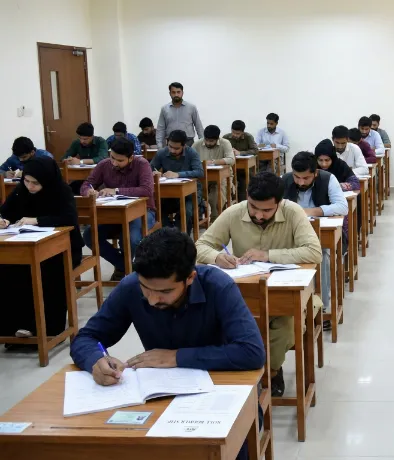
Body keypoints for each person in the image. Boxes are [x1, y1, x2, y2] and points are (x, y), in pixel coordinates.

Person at [69, 228, 265, 460]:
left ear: (190, 278)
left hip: (222, 390)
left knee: (227, 444)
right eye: (146, 289)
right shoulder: (131, 287)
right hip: (160, 392)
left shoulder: (218, 286)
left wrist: (176, 357)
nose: (152, 299)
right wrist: (95, 360)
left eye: (164, 291)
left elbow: (251, 352)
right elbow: (86, 338)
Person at [195, 172, 321, 396]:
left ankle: (270, 372)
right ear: (247, 197)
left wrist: (268, 255)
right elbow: (200, 245)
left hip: (289, 293)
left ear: (279, 203)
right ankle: (238, 375)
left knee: (284, 328)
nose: (258, 215)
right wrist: (216, 257)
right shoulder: (235, 212)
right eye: (254, 207)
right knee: (217, 325)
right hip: (245, 295)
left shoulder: (292, 213)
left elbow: (313, 251)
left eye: (266, 210)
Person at [0, 156, 83, 342]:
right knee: (8, 267)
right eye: (27, 181)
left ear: (46, 180)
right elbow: (6, 210)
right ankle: (12, 327)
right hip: (29, 244)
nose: (30, 186)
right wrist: (3, 220)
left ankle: (46, 328)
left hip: (65, 248)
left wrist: (37, 220)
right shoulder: (22, 190)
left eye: (35, 183)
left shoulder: (62, 191)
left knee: (49, 269)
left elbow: (68, 218)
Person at [281, 152, 348, 329]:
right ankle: (288, 308)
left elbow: (342, 206)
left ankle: (322, 309)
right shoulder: (285, 179)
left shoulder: (328, 178)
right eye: (297, 177)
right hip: (291, 235)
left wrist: (311, 211)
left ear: (315, 173)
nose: (300, 182)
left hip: (320, 234)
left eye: (306, 178)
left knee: (322, 257)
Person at [81, 137, 156, 281]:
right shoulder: (104, 164)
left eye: (120, 161)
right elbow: (87, 184)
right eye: (112, 158)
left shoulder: (142, 164)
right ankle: (125, 266)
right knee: (90, 235)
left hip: (142, 212)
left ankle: (136, 274)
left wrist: (116, 191)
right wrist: (88, 191)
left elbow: (146, 190)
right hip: (115, 214)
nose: (115, 163)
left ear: (131, 157)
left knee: (131, 239)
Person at [150, 130, 203, 231]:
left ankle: (181, 237)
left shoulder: (191, 153)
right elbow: (149, 169)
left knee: (186, 212)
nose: (172, 151)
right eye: (170, 146)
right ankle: (168, 235)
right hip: (169, 192)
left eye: (176, 148)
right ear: (167, 142)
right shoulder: (162, 153)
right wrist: (153, 173)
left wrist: (178, 174)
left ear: (184, 146)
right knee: (158, 209)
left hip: (191, 193)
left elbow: (200, 172)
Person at [316, 139, 360, 240]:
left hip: (337, 203)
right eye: (320, 160)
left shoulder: (340, 165)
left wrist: (335, 187)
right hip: (318, 204)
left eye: (327, 160)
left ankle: (344, 244)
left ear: (333, 158)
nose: (323, 164)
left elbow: (355, 183)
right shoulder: (312, 168)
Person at [194, 125, 235, 220]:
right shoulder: (197, 144)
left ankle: (215, 218)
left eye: (211, 141)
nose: (208, 143)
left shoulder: (225, 143)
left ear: (217, 139)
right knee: (193, 192)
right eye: (206, 140)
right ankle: (198, 218)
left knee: (215, 197)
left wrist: (213, 162)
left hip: (222, 176)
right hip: (202, 176)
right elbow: (189, 158)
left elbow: (231, 159)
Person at [156, 82, 203, 147]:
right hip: (171, 144)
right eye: (173, 92)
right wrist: (159, 146)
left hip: (188, 143)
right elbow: (160, 129)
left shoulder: (191, 107)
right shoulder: (164, 109)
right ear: (170, 93)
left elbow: (198, 126)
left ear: (182, 93)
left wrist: (203, 143)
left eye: (178, 92)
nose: (176, 94)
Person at [223, 119, 258, 201]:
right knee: (226, 182)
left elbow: (255, 150)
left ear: (242, 132)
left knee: (244, 182)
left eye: (238, 133)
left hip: (245, 169)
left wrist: (240, 153)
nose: (235, 135)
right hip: (231, 167)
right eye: (233, 132)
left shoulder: (248, 137)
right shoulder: (225, 138)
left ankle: (243, 201)